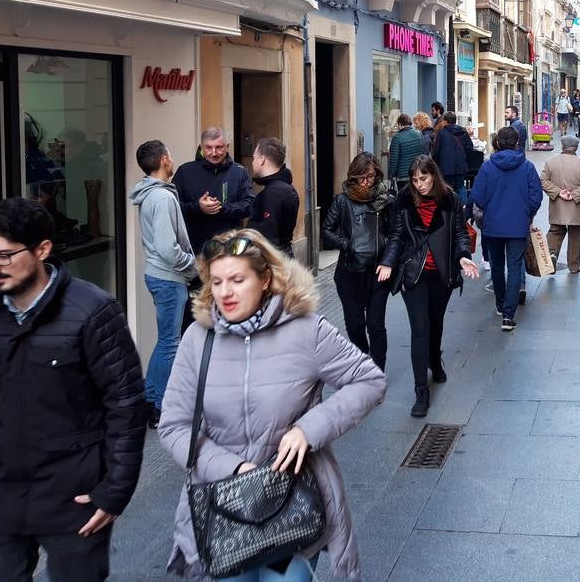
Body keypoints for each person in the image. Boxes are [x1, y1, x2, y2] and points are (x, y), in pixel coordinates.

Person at [158, 228, 386, 582]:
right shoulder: (198, 339)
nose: (225, 292)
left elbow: (370, 380)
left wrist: (308, 429)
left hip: (290, 501)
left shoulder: (306, 330)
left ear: (265, 279)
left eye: (237, 279)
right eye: (216, 282)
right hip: (223, 506)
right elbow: (174, 425)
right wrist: (233, 469)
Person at [0, 197, 146, 582]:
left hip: (72, 494)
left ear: (42, 249)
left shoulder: (93, 310)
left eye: (5, 256)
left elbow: (125, 405)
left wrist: (114, 490)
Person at [379, 156, 479, 417]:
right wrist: (389, 262)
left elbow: (459, 233)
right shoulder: (403, 200)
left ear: (433, 175)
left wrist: (463, 255)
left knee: (435, 323)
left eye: (423, 179)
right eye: (414, 180)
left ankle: (435, 357)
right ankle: (421, 390)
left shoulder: (450, 199)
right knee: (419, 329)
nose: (419, 185)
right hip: (414, 274)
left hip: (442, 274)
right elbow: (397, 236)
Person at [130, 140, 198, 428]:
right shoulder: (162, 198)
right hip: (168, 278)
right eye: (170, 154)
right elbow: (167, 248)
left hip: (160, 275)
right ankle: (159, 406)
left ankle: (151, 401)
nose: (173, 158)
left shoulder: (153, 194)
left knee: (166, 342)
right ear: (162, 160)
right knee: (170, 344)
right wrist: (193, 266)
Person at [320, 153, 393, 371]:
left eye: (370, 176)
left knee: (376, 325)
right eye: (362, 177)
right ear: (354, 176)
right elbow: (326, 230)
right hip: (349, 273)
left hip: (378, 272)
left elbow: (396, 233)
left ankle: (377, 371)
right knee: (354, 325)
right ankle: (363, 358)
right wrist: (347, 244)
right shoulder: (342, 201)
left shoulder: (385, 200)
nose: (366, 182)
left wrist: (384, 248)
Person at [471, 126, 543, 330]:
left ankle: (500, 304)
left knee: (496, 266)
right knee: (513, 267)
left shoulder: (487, 167)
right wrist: (527, 213)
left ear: (497, 143)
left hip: (492, 225)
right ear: (517, 142)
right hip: (518, 226)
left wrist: (489, 208)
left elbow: (477, 196)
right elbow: (536, 196)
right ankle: (508, 315)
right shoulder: (527, 167)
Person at [172, 127, 254, 255]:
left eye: (219, 147)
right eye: (208, 148)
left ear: (227, 146)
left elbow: (249, 205)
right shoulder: (185, 171)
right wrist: (198, 207)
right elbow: (173, 207)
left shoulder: (239, 172)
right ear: (201, 148)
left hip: (229, 249)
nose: (214, 153)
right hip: (195, 250)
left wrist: (222, 208)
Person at [539, 134, 580, 274]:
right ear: (576, 148)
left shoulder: (550, 162)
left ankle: (551, 255)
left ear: (562, 146)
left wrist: (558, 192)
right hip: (576, 206)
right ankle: (574, 266)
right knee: (575, 234)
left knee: (555, 230)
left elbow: (543, 181)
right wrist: (575, 194)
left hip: (557, 204)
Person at [249, 138, 300, 257]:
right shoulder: (282, 188)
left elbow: (269, 239)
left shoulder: (274, 193)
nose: (253, 162)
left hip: (274, 261)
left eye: (254, 158)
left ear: (262, 160)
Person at [431, 110, 473, 197]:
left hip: (446, 167)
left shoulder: (442, 133)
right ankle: (462, 207)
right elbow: (469, 147)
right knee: (461, 187)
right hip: (460, 166)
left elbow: (436, 151)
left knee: (447, 189)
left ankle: (450, 208)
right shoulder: (463, 131)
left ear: (445, 121)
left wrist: (436, 164)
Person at [388, 114, 423, 188]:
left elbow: (394, 160)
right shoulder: (419, 134)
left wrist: (391, 176)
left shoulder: (397, 138)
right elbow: (423, 153)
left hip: (403, 176)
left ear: (400, 124)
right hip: (417, 173)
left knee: (404, 198)